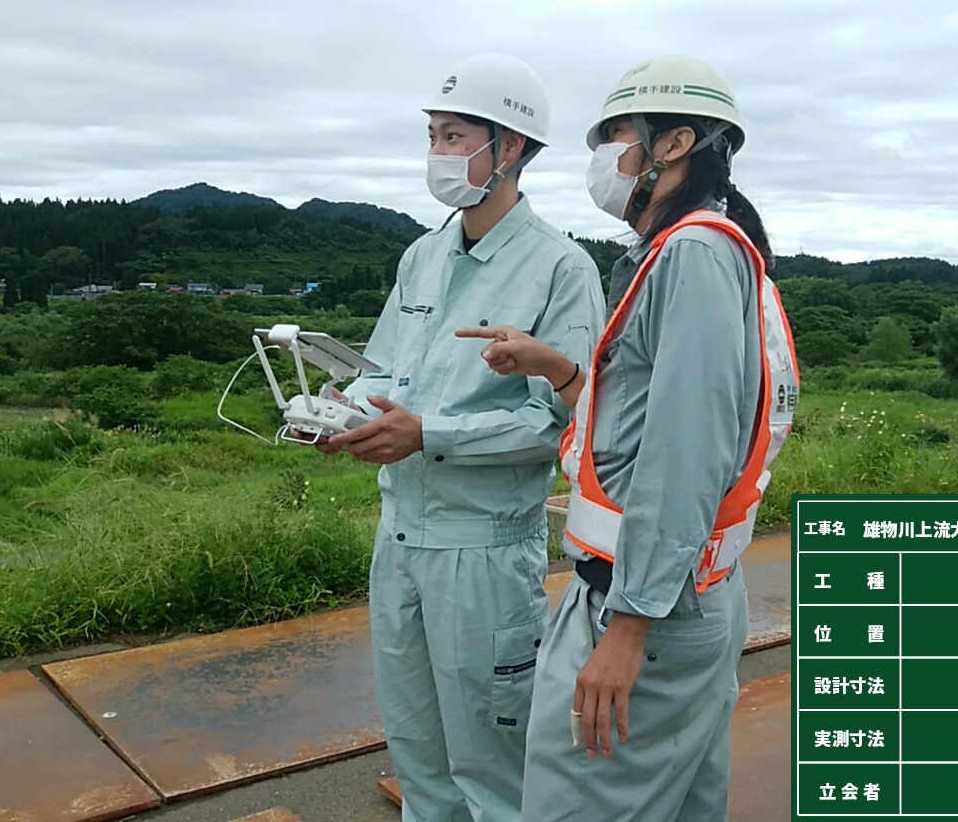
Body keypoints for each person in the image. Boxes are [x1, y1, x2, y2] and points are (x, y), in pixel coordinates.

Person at [458, 55, 799, 822]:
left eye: (614, 134)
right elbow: (649, 421)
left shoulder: (694, 254)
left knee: (578, 802)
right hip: (681, 590)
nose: (601, 157)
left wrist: (628, 629)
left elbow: (686, 457)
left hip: (646, 601)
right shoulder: (691, 253)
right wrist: (563, 372)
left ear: (674, 144)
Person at [322, 53, 606, 822]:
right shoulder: (422, 255)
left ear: (508, 148)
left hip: (482, 545)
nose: (437, 153)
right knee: (416, 744)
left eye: (454, 137)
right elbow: (379, 369)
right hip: (400, 536)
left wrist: (428, 436)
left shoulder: (561, 268)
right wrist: (340, 413)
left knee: (489, 751)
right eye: (433, 136)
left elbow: (560, 420)